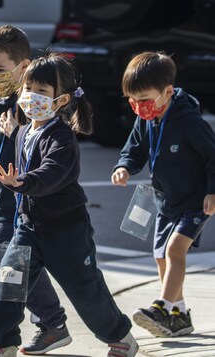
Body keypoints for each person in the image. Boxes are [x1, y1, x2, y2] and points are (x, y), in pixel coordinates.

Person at [0, 53, 138, 357]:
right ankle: (3, 345)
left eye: (42, 92)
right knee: (8, 284)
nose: (32, 97)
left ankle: (120, 337)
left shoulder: (62, 136)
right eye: (28, 89)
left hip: (65, 230)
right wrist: (13, 133)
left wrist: (23, 182)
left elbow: (52, 173)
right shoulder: (24, 130)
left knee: (85, 289)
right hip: (28, 228)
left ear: (61, 100)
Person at [0, 25, 72, 355]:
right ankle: (53, 324)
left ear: (23, 67)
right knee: (22, 269)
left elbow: (45, 152)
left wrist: (18, 132)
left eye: (0, 70)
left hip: (19, 208)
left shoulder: (30, 108)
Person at [111, 51, 215, 338]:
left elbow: (212, 157)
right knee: (160, 257)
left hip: (194, 202)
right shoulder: (147, 118)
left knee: (174, 250)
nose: (140, 107)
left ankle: (163, 306)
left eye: (145, 99)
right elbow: (134, 150)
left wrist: (212, 192)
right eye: (133, 101)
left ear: (168, 92)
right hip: (165, 201)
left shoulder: (189, 121)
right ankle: (179, 315)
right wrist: (124, 167)